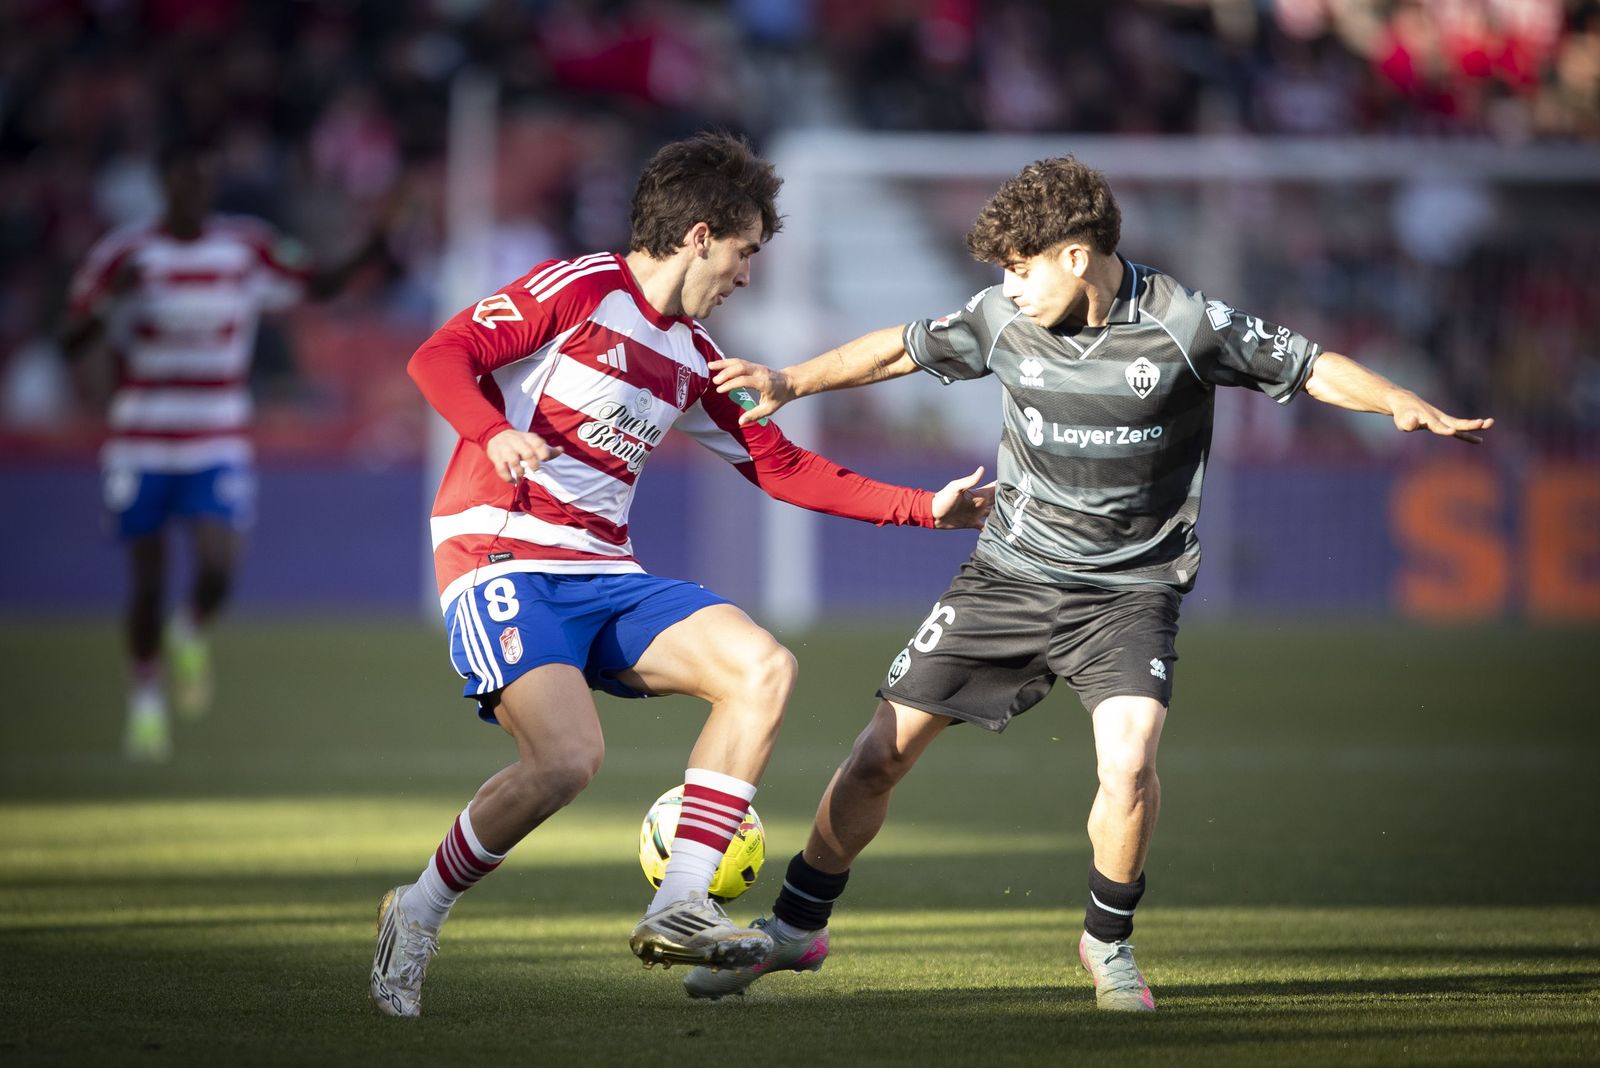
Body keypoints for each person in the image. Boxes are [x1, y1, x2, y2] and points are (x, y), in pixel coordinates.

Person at [686, 155, 1494, 1011]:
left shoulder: (1187, 323)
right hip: (1010, 573)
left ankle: (1106, 943)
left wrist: (1396, 398)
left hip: (1129, 594)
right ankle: (796, 927)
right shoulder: (1004, 317)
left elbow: (1309, 362)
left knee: (1131, 760)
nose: (1007, 287)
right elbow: (904, 347)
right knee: (879, 756)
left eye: (1020, 268)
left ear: (1076, 256)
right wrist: (793, 380)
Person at [370, 132, 991, 1019]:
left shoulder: (698, 357)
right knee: (567, 763)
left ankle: (680, 902)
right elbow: (439, 356)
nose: (746, 276)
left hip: (604, 572)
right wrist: (493, 431)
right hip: (499, 553)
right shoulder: (579, 288)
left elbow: (782, 467)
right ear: (700, 235)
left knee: (762, 667)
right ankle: (417, 911)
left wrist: (927, 508)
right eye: (744, 254)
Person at [61, 141, 392, 762]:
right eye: (185, 183)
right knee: (147, 578)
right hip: (142, 438)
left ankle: (190, 630)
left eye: (203, 183)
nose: (196, 195)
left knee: (218, 563)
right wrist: (111, 303)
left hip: (216, 433)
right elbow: (68, 338)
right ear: (164, 185)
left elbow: (313, 282)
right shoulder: (124, 256)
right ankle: (145, 702)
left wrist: (371, 248)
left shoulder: (243, 247)